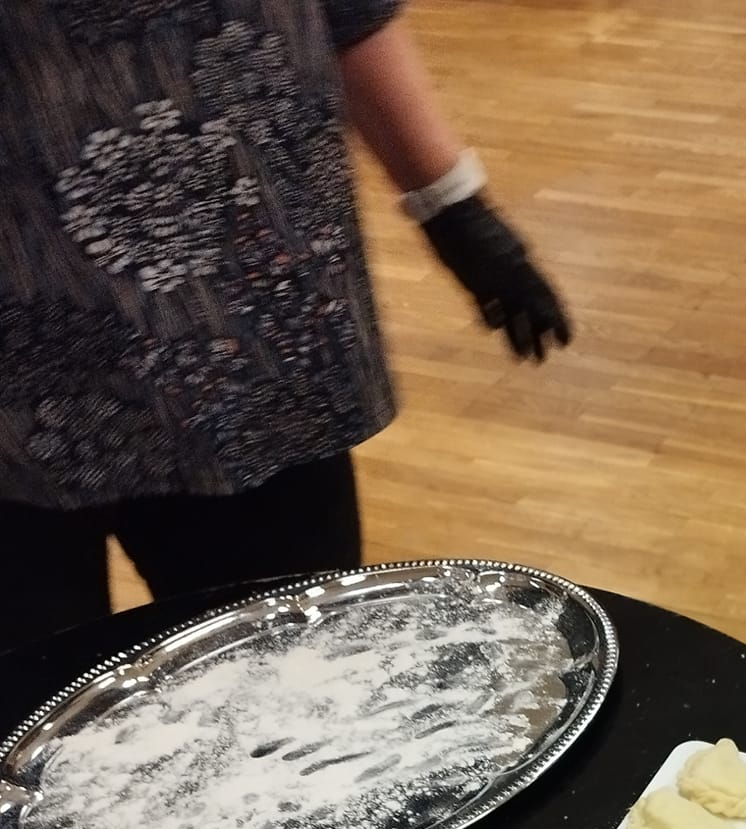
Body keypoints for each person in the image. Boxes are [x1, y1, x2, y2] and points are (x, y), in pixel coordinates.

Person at [0, 1, 568, 658]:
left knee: (294, 672)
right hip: (21, 372)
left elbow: (350, 10)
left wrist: (451, 204)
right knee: (32, 695)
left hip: (256, 342)